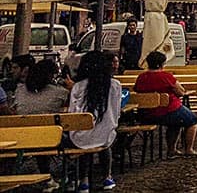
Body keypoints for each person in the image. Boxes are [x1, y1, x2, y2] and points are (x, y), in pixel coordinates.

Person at [68, 51, 121, 192]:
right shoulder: (114, 85)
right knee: (105, 142)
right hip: (106, 135)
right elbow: (116, 111)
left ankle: (83, 180)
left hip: (79, 136)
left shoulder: (78, 86)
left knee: (85, 143)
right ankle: (107, 177)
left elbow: (72, 112)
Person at [133, 50, 197, 158]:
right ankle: (188, 149)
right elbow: (180, 92)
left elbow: (137, 90)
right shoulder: (166, 76)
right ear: (161, 64)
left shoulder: (141, 77)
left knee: (176, 123)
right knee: (192, 120)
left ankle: (172, 150)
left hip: (146, 113)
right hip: (168, 111)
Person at [17, 60, 70, 192]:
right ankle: (68, 175)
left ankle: (48, 179)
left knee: (40, 134)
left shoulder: (20, 90)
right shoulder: (60, 93)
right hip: (50, 139)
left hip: (22, 138)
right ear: (51, 75)